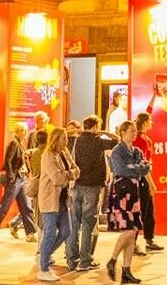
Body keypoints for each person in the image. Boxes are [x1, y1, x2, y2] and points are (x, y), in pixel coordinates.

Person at [105, 120, 149, 285]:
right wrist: (137, 167)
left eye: (135, 130)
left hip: (134, 192)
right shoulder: (118, 151)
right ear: (123, 132)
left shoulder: (136, 151)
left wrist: (135, 167)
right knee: (130, 230)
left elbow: (146, 168)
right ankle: (112, 259)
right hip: (122, 193)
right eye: (131, 130)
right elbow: (120, 169)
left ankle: (126, 270)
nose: (134, 133)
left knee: (134, 231)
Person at [71, 115, 115, 272]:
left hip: (77, 185)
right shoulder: (99, 141)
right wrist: (105, 132)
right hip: (93, 187)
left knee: (75, 223)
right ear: (96, 126)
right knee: (88, 223)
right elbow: (117, 140)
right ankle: (85, 260)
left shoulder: (78, 140)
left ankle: (71, 259)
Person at [37, 126, 78, 282]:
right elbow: (57, 179)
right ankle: (44, 268)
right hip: (49, 200)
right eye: (64, 138)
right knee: (49, 232)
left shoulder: (63, 154)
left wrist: (69, 173)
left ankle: (43, 255)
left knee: (66, 231)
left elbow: (77, 170)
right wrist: (69, 174)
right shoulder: (47, 156)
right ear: (55, 139)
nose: (66, 141)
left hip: (62, 200)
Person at [0, 122, 36, 240]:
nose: (25, 133)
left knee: (26, 206)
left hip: (21, 178)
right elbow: (7, 161)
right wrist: (12, 177)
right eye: (23, 130)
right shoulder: (14, 143)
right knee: (5, 206)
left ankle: (30, 233)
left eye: (26, 131)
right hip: (15, 179)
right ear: (18, 131)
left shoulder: (21, 144)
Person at [134, 112, 164, 253]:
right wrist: (151, 183)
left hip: (141, 178)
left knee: (147, 210)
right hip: (141, 180)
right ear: (145, 122)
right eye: (150, 120)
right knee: (142, 210)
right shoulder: (141, 140)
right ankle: (134, 242)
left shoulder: (144, 138)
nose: (152, 122)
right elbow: (143, 164)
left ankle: (149, 239)